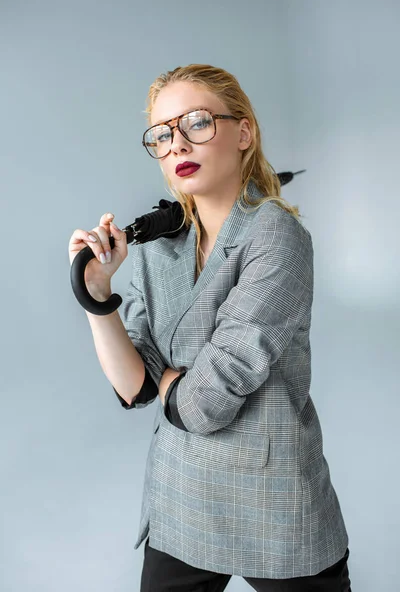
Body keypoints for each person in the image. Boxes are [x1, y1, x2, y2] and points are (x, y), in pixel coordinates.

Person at [68, 64, 352, 591]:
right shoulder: (158, 244)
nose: (176, 144)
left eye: (196, 123)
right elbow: (135, 387)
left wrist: (172, 381)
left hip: (276, 500)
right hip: (182, 495)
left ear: (243, 133)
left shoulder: (277, 236)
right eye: (162, 134)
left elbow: (204, 402)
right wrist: (97, 294)